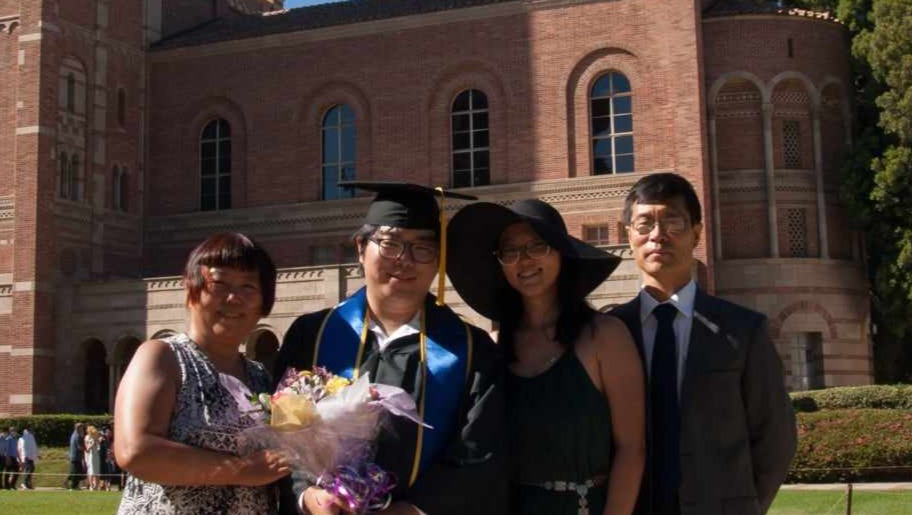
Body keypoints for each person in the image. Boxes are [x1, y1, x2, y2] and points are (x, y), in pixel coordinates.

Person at [274, 182, 508, 515]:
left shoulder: (472, 351)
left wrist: (413, 510)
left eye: (422, 248)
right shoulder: (311, 335)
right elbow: (279, 436)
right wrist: (307, 496)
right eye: (389, 243)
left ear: (438, 260)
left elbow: (480, 453)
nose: (405, 260)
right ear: (360, 248)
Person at [610, 172, 797, 515]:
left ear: (696, 232)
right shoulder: (610, 331)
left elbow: (775, 437)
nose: (657, 235)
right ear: (628, 236)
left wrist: (745, 507)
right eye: (644, 224)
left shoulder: (743, 331)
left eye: (672, 222)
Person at [446, 199, 645, 515]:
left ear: (561, 253)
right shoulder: (493, 348)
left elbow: (631, 449)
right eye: (510, 251)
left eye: (537, 246)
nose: (524, 260)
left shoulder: (605, 337)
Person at [115, 232, 290, 514]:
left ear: (264, 303)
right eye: (219, 284)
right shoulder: (163, 357)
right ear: (191, 290)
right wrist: (242, 470)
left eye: (248, 286)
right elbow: (135, 451)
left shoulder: (261, 378)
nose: (234, 298)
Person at [67, 422, 86, 490]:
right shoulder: (77, 436)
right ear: (78, 428)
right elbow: (79, 447)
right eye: (82, 428)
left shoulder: (73, 435)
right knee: (75, 472)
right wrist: (86, 449)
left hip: (74, 456)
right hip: (76, 456)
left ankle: (75, 485)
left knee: (76, 471)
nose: (83, 429)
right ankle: (73, 486)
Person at [85, 425, 103, 490]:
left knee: (97, 471)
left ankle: (96, 486)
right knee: (91, 471)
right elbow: (87, 449)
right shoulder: (87, 438)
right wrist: (93, 443)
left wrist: (98, 441)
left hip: (96, 455)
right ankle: (91, 486)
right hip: (90, 456)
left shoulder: (96, 437)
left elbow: (98, 447)